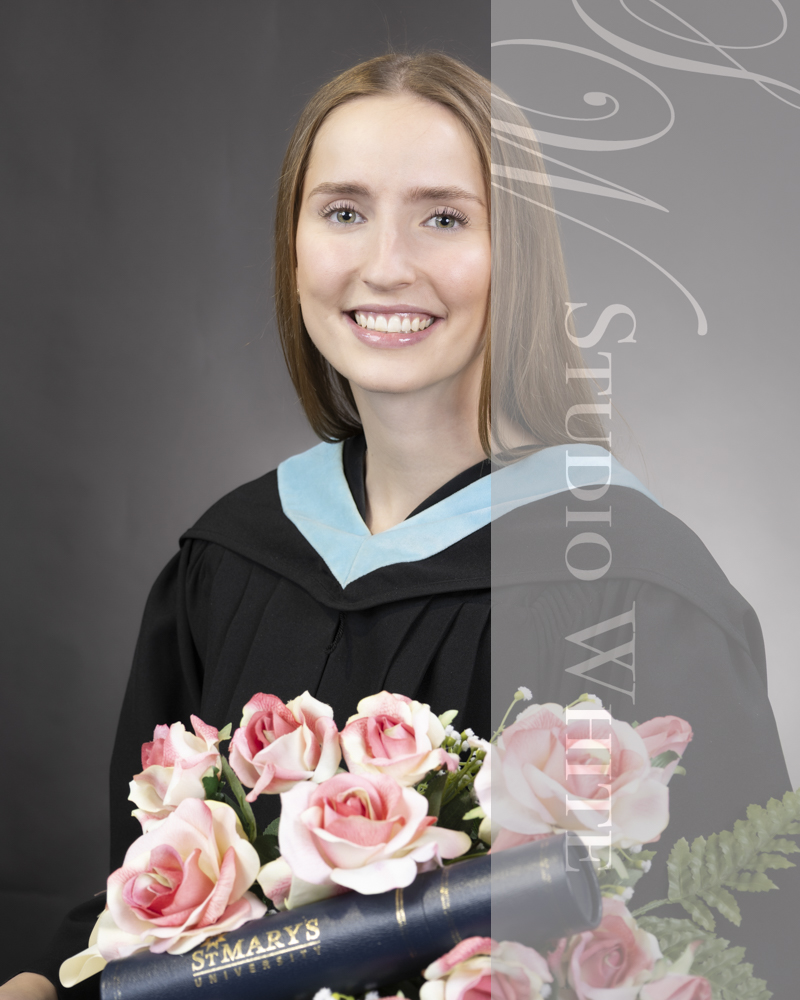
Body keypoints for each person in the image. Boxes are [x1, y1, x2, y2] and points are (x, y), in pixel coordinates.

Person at [2, 50, 796, 999]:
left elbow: (730, 950)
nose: (385, 265)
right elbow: (135, 908)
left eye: (444, 217)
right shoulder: (230, 561)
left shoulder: (629, 591)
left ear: (519, 257)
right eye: (343, 212)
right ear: (294, 247)